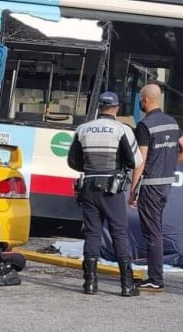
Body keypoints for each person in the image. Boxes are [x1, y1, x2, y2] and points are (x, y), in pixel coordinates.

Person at [68, 91, 143, 297]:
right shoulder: (122, 129)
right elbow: (134, 161)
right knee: (119, 232)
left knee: (92, 233)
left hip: (89, 186)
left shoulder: (83, 129)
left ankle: (90, 283)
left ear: (99, 107)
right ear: (117, 108)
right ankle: (127, 285)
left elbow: (73, 161)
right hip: (112, 188)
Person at [128, 83, 183, 292]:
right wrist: (170, 166)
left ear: (145, 101)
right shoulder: (172, 122)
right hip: (165, 185)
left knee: (152, 233)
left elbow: (141, 161)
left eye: (140, 99)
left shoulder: (145, 125)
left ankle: (155, 279)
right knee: (156, 229)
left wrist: (132, 190)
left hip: (150, 186)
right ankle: (155, 276)